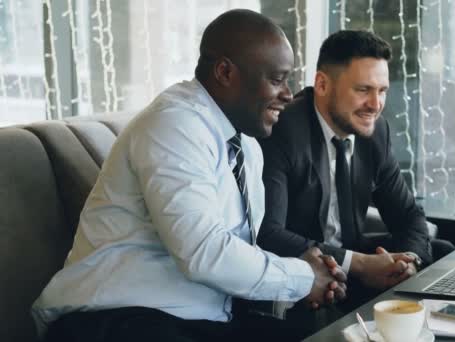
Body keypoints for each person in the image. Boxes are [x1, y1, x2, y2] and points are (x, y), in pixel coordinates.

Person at [31, 9, 346, 342]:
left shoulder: (245, 146)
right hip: (113, 320)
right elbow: (204, 253)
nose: (289, 94)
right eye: (277, 79)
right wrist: (301, 277)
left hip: (196, 319)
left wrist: (305, 281)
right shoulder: (174, 125)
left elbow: (231, 253)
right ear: (225, 71)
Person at [258, 30, 454, 315]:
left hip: (352, 259)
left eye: (382, 90)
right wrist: (358, 265)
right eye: (363, 90)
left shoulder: (375, 132)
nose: (375, 105)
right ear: (322, 84)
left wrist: (408, 262)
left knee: (442, 250)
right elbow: (270, 234)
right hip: (308, 273)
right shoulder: (284, 130)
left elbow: (408, 215)